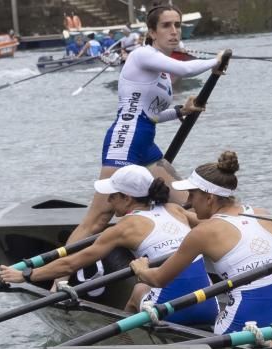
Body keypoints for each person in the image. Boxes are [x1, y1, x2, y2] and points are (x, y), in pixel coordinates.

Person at [68, 5, 229, 242]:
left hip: (146, 144)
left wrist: (180, 111)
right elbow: (185, 69)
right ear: (152, 32)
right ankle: (57, 279)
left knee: (188, 203)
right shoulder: (142, 55)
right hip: (124, 143)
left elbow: (150, 114)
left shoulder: (162, 72)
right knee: (97, 220)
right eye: (166, 26)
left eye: (178, 25)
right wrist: (215, 61)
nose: (174, 31)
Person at [0, 165, 217, 326]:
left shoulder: (125, 227)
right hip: (210, 304)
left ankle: (125, 344)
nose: (109, 202)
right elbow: (215, 224)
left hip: (172, 311)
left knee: (136, 293)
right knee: (143, 287)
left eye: (112, 196)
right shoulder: (175, 210)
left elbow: (71, 264)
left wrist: (26, 275)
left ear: (127, 198)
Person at [130, 151, 272, 334]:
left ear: (209, 198)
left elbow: (158, 279)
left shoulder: (202, 233)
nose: (187, 202)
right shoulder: (260, 213)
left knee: (142, 290)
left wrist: (141, 269)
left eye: (192, 195)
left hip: (244, 325)